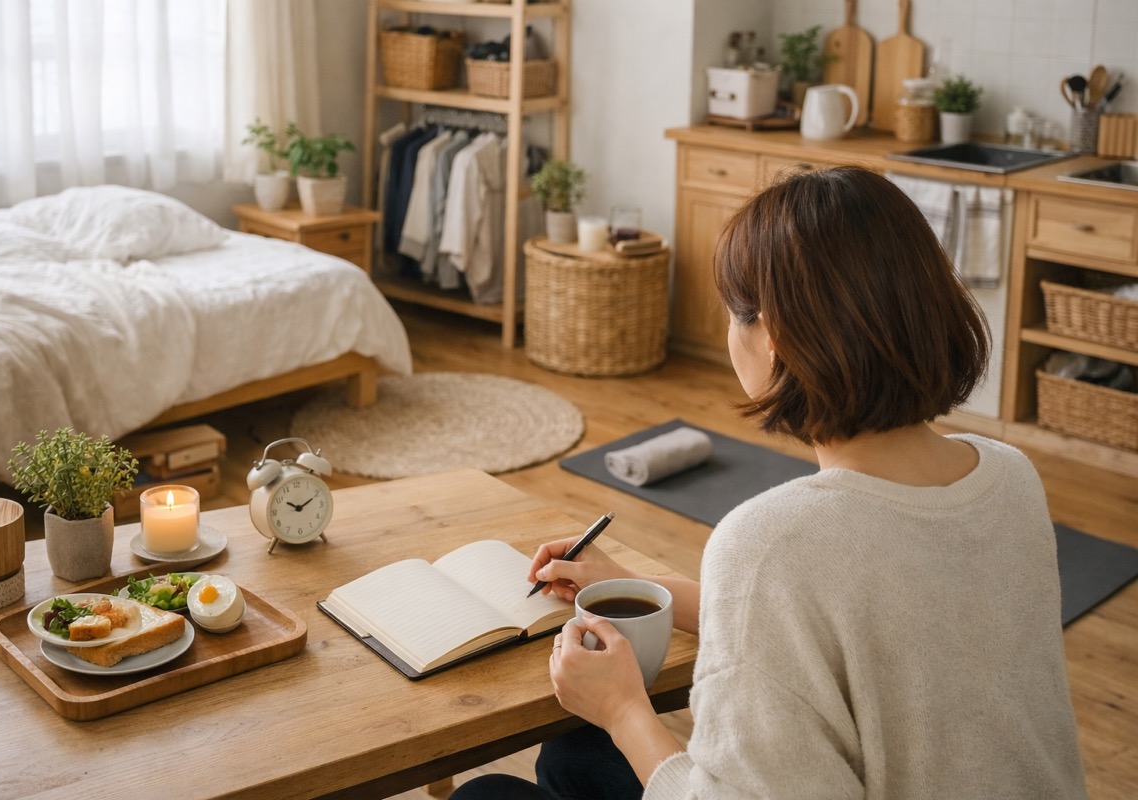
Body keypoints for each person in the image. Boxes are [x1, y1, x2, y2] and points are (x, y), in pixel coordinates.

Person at [450, 166, 1087, 799]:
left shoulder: (773, 543)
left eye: (734, 315)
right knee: (575, 757)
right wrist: (632, 591)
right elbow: (852, 626)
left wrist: (624, 710)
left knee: (488, 798)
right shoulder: (1008, 476)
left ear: (774, 339)